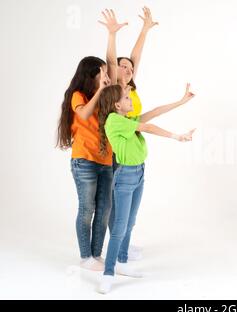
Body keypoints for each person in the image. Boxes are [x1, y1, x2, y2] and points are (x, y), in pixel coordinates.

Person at [96, 84, 196, 294]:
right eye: (126, 98)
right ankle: (108, 272)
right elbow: (148, 128)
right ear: (116, 105)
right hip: (125, 176)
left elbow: (153, 113)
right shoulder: (114, 120)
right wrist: (177, 137)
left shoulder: (126, 120)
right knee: (119, 228)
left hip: (139, 173)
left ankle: (122, 261)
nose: (130, 99)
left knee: (130, 223)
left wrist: (181, 101)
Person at [56, 9, 126, 271]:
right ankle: (85, 256)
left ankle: (95, 256)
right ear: (91, 76)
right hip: (84, 160)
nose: (106, 76)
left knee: (104, 209)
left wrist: (111, 35)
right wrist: (100, 90)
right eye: (101, 74)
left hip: (105, 160)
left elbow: (111, 62)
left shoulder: (106, 93)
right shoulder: (79, 95)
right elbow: (84, 115)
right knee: (87, 209)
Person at [109, 6, 159, 260]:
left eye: (130, 68)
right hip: (119, 152)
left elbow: (135, 58)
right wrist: (112, 35)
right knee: (118, 205)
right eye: (123, 67)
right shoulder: (114, 90)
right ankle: (116, 251)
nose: (128, 69)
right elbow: (113, 61)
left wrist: (145, 29)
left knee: (130, 208)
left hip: (133, 148)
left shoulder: (129, 87)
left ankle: (124, 244)